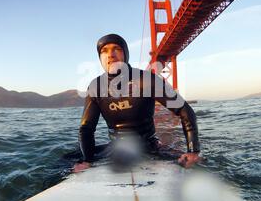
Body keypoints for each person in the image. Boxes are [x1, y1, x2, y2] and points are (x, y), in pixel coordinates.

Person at [73, 34, 202, 172]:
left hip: (149, 148)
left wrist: (193, 151)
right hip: (116, 148)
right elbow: (86, 128)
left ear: (126, 53)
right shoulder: (96, 87)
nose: (110, 55)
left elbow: (183, 110)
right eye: (104, 51)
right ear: (100, 58)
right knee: (66, 161)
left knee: (197, 166)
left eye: (116, 48)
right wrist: (86, 160)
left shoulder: (146, 80)